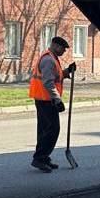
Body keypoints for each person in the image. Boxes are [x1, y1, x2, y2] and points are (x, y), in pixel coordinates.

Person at [28, 36, 76, 172]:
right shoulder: (49, 60)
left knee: (45, 129)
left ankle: (43, 158)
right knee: (52, 129)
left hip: (45, 99)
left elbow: (55, 77)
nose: (64, 51)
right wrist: (57, 100)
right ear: (55, 45)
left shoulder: (51, 58)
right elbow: (48, 82)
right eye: (62, 48)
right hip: (46, 100)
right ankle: (39, 158)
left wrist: (67, 72)